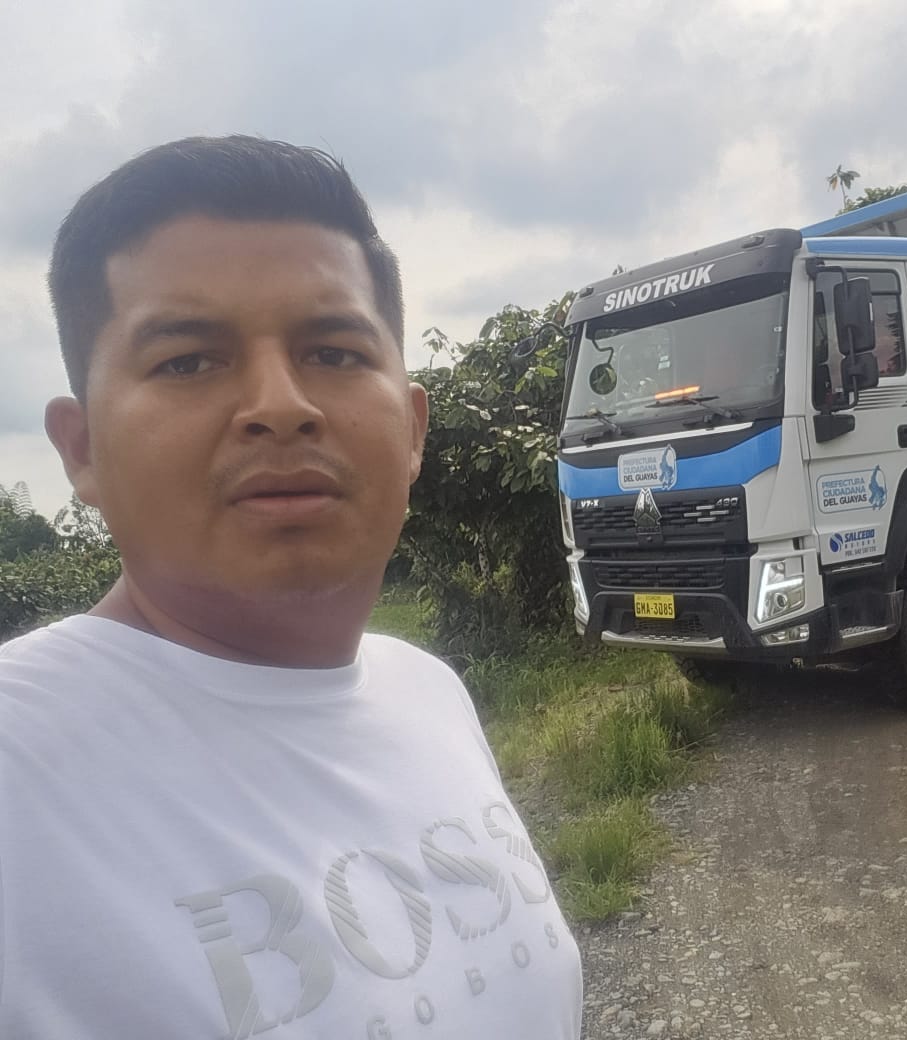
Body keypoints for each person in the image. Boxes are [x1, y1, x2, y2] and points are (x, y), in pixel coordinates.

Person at [0, 137, 583, 1038]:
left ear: (413, 430)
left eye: (334, 352)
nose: (280, 405)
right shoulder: (22, 771)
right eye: (188, 360)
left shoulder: (427, 691)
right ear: (81, 450)